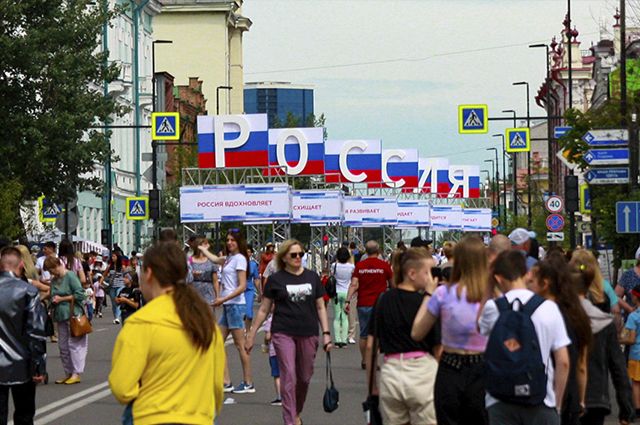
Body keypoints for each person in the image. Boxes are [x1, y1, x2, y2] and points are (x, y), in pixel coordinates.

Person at [109, 242, 225, 425]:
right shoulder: (204, 322)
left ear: (148, 274)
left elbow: (122, 387)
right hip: (199, 417)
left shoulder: (141, 322)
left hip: (151, 417)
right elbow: (217, 387)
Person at [477, 250, 571, 425]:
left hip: (500, 401)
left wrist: (488, 288)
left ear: (497, 278)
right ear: (527, 273)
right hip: (541, 399)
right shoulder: (549, 308)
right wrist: (556, 403)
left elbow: (478, 327)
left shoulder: (493, 308)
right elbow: (563, 361)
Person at [246, 239, 332, 425]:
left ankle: (296, 412)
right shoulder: (276, 280)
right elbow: (263, 309)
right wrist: (252, 333)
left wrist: (326, 333)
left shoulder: (312, 277)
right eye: (293, 255)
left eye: (300, 254)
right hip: (283, 332)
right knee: (288, 375)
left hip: (308, 332)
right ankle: (289, 421)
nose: (298, 258)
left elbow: (320, 307)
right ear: (284, 257)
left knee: (304, 377)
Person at [411, 236, 489, 425]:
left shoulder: (443, 293)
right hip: (484, 367)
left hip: (450, 366)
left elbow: (417, 332)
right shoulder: (492, 294)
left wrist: (429, 294)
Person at [368, 248, 440, 425]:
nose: (432, 278)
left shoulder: (383, 300)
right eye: (429, 272)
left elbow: (371, 345)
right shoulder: (427, 304)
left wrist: (372, 386)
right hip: (422, 370)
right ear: (412, 273)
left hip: (391, 370)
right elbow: (438, 347)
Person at [529, 255, 592, 425]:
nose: (528, 286)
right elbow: (581, 365)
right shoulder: (577, 315)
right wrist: (581, 399)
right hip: (570, 395)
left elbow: (562, 361)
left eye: (531, 281)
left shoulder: (538, 314)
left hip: (543, 395)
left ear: (545, 283)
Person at [573, 262, 634, 425]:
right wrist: (626, 407)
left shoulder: (560, 316)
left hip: (568, 396)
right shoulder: (605, 323)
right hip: (596, 396)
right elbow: (618, 366)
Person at [199, 230, 253, 394]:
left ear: (239, 242)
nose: (229, 243)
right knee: (217, 343)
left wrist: (222, 299)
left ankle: (248, 382)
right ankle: (226, 381)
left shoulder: (241, 259)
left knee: (240, 345)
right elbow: (215, 259)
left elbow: (242, 286)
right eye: (228, 240)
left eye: (233, 240)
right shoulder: (228, 259)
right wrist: (202, 249)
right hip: (228, 306)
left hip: (235, 306)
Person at [0, 247, 47, 425]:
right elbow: (35, 331)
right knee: (24, 415)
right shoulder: (27, 291)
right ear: (21, 265)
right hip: (22, 362)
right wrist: (38, 366)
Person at [346, 240, 393, 369]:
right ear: (378, 251)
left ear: (365, 251)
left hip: (363, 304)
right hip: (380, 304)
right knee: (377, 334)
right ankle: (374, 360)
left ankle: (364, 360)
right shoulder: (384, 266)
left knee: (364, 334)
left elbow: (354, 284)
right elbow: (392, 283)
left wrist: (347, 300)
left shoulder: (360, 266)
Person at [44, 256, 87, 385]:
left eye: (52, 270)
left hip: (73, 315)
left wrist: (62, 299)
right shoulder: (54, 280)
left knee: (74, 345)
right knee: (63, 346)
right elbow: (51, 294)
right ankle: (68, 373)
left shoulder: (71, 276)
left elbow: (80, 294)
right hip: (60, 316)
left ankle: (76, 373)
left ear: (58, 265)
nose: (52, 274)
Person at [621, 285, 640, 417]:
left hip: (636, 354)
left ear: (635, 296)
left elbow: (630, 339)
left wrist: (619, 340)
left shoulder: (633, 316)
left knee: (636, 383)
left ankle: (638, 410)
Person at [188, 236, 219, 308]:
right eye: (205, 244)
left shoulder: (211, 260)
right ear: (199, 246)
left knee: (208, 316)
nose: (208, 245)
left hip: (208, 292)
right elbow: (185, 276)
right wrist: (192, 274)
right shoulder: (190, 260)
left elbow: (215, 280)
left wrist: (217, 296)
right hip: (194, 292)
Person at [332, 246, 355, 347]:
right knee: (345, 317)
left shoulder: (334, 265)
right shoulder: (351, 267)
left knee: (337, 317)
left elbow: (332, 275)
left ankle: (337, 340)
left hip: (336, 292)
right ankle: (344, 340)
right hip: (347, 293)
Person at [104, 252, 125, 324]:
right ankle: (116, 317)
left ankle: (117, 317)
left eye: (114, 256)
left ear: (117, 257)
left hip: (120, 285)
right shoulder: (110, 266)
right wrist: (101, 282)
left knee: (118, 300)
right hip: (112, 286)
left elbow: (126, 275)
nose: (112, 258)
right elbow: (104, 275)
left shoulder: (122, 266)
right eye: (112, 256)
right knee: (113, 303)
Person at [245, 246, 260, 330]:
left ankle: (247, 332)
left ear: (251, 253)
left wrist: (260, 293)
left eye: (249, 252)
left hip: (249, 291)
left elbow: (256, 279)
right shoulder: (237, 263)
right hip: (237, 292)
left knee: (249, 315)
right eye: (245, 251)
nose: (247, 253)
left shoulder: (253, 264)